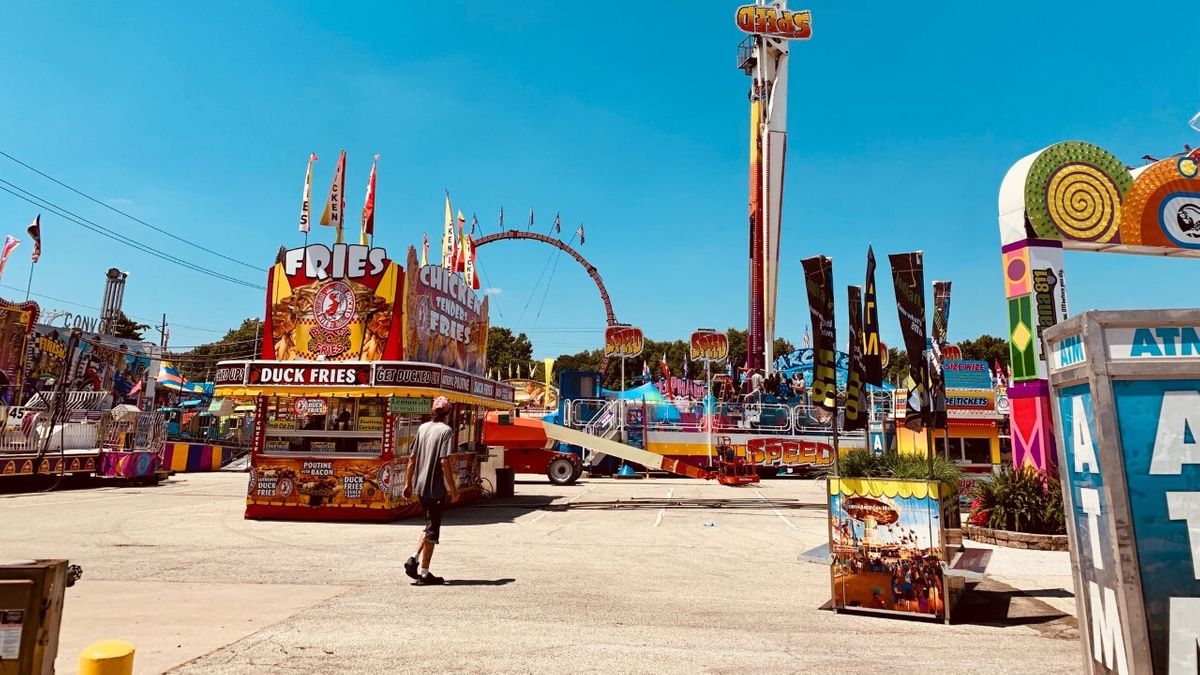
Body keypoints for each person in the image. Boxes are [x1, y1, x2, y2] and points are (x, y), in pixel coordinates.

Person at [402, 396, 460, 585]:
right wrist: (453, 489)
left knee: (429, 525)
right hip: (435, 489)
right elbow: (444, 461)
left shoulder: (423, 428)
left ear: (432, 411)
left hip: (420, 486)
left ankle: (414, 559)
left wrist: (408, 483)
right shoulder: (446, 431)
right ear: (448, 413)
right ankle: (425, 574)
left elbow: (412, 459)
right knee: (433, 530)